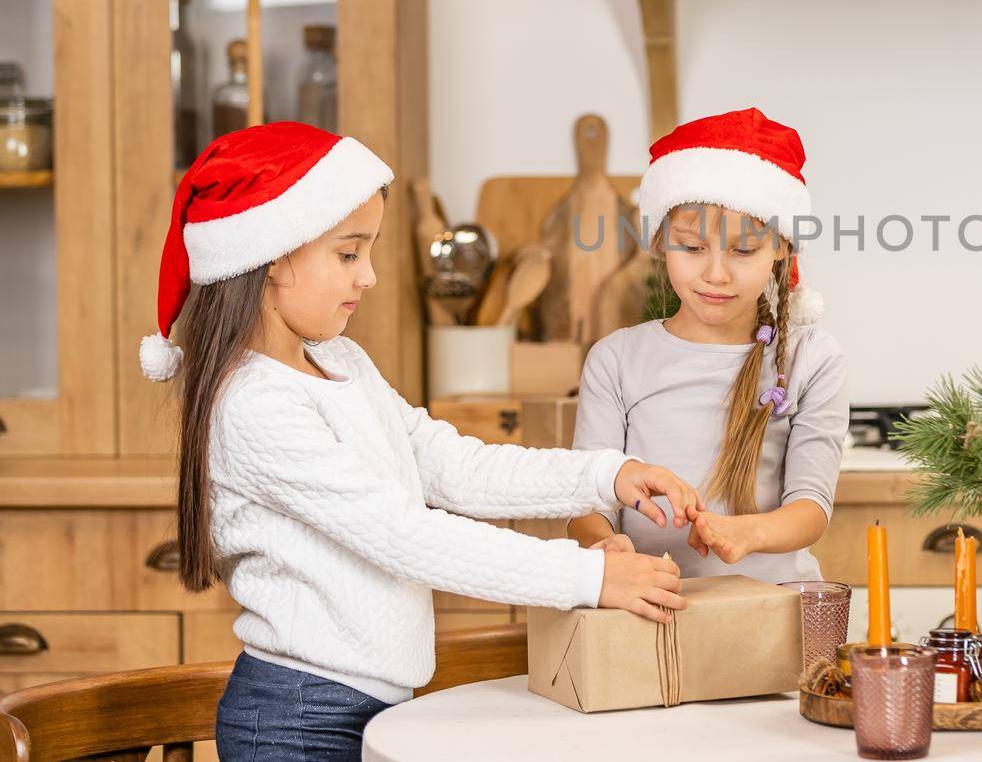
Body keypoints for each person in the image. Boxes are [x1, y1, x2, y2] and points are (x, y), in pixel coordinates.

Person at [141, 122, 700, 761]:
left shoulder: (341, 362)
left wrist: (606, 474)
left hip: (366, 707)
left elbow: (451, 465)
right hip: (299, 720)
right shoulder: (252, 405)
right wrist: (588, 575)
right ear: (273, 256)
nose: (371, 276)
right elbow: (403, 535)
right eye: (348, 254)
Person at [568, 107, 850, 584]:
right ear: (660, 242)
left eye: (743, 251)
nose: (716, 274)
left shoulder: (812, 359)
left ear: (781, 247)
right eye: (693, 248)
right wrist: (604, 544)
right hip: (650, 610)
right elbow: (586, 502)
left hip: (777, 612)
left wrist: (747, 533)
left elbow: (811, 509)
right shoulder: (615, 360)